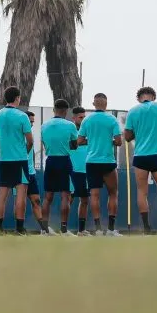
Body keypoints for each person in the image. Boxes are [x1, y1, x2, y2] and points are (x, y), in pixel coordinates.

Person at [124, 87, 157, 234]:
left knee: (142, 191)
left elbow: (127, 137)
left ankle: (146, 228)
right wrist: (156, 129)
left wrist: (140, 132)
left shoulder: (133, 111)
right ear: (153, 96)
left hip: (140, 156)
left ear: (138, 98)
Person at [78, 93, 123, 235]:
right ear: (106, 103)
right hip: (108, 161)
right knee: (113, 194)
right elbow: (119, 142)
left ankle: (98, 229)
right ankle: (110, 229)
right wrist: (108, 141)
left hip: (91, 162)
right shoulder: (112, 119)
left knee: (94, 195)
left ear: (93, 104)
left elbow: (79, 141)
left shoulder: (87, 120)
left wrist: (91, 141)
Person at [0, 86, 33, 234]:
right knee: (21, 193)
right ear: (17, 98)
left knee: (2, 194)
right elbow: (30, 140)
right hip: (20, 160)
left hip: (5, 160)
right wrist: (25, 152)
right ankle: (20, 228)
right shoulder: (22, 116)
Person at [41, 98, 79, 235]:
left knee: (48, 196)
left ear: (54, 109)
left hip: (50, 160)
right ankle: (63, 229)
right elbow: (75, 145)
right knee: (65, 195)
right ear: (66, 111)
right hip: (64, 161)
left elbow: (45, 145)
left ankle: (44, 230)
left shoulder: (44, 126)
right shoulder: (70, 126)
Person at [25, 111, 53, 234]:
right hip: (20, 172)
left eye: (32, 122)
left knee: (36, 200)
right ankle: (19, 229)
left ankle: (44, 229)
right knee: (19, 201)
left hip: (31, 173)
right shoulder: (17, 135)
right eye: (29, 121)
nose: (31, 124)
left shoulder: (30, 135)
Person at [70, 106, 91, 235]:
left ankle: (81, 230)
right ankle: (63, 229)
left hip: (86, 170)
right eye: (80, 117)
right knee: (69, 199)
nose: (83, 120)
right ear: (74, 118)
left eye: (84, 117)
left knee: (84, 200)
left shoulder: (88, 131)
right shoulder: (70, 130)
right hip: (72, 170)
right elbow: (71, 145)